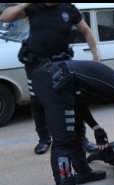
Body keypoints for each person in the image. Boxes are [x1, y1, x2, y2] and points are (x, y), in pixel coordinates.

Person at [0, 3, 99, 155]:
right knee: (37, 101)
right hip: (35, 64)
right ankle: (44, 139)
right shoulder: (33, 7)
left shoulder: (68, 9)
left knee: (72, 101)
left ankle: (81, 139)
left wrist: (95, 55)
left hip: (61, 63)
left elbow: (86, 31)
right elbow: (4, 18)